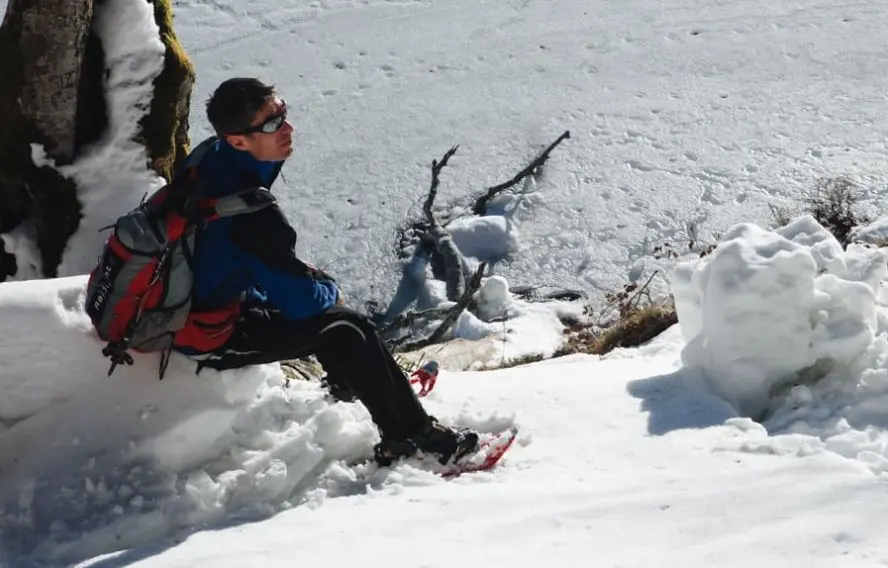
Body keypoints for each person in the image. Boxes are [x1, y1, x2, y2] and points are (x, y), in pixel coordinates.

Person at [172, 77, 479, 466]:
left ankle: (349, 384)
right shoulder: (249, 212)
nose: (287, 127)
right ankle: (416, 439)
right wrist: (327, 289)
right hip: (207, 332)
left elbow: (236, 258)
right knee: (347, 328)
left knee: (335, 319)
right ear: (238, 141)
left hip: (203, 299)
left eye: (282, 112)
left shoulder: (210, 160)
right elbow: (301, 303)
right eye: (271, 124)